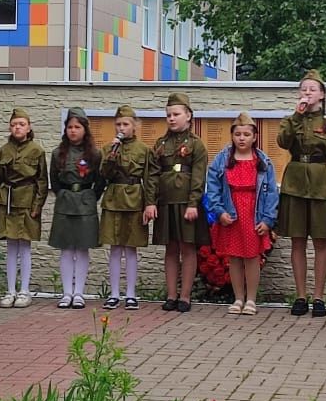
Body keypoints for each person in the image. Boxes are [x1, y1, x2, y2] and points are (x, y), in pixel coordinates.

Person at [277, 71, 326, 318]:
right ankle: (300, 296)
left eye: (312, 89)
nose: (307, 92)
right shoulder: (290, 119)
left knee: (320, 241)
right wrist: (298, 113)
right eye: (304, 88)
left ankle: (319, 297)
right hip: (295, 182)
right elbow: (282, 142)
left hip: (321, 184)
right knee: (297, 240)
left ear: (322, 94)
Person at [205, 112, 278, 315]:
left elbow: (272, 191)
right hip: (231, 213)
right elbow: (212, 186)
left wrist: (267, 219)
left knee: (252, 257)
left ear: (254, 136)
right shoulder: (222, 159)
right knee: (234, 257)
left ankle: (251, 300)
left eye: (247, 134)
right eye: (238, 134)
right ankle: (238, 298)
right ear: (232, 136)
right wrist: (219, 211)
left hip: (253, 214)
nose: (242, 138)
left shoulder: (263, 161)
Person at [146, 92, 209, 313]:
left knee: (188, 248)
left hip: (186, 203)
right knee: (170, 248)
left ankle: (185, 296)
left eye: (176, 114)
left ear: (188, 115)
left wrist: (193, 203)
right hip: (166, 202)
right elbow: (152, 175)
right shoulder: (160, 143)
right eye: (168, 115)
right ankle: (171, 295)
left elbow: (199, 176)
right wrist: (150, 202)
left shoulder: (196, 144)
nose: (171, 118)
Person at [0, 108, 48, 308]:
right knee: (10, 247)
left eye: (21, 124)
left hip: (28, 201)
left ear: (29, 127)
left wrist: (37, 206)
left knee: (25, 246)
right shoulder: (3, 151)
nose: (17, 127)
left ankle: (24, 291)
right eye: (14, 124)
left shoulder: (37, 150)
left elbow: (42, 181)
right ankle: (10, 291)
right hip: (8, 201)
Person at [49, 107, 102, 309]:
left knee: (82, 248)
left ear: (85, 129)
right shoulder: (57, 153)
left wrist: (90, 196)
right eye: (70, 127)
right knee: (66, 248)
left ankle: (79, 292)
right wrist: (62, 194)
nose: (73, 131)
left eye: (77, 127)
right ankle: (66, 293)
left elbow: (100, 181)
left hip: (85, 202)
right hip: (65, 202)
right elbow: (54, 180)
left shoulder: (94, 154)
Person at [100, 105, 151, 309]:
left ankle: (130, 294)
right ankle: (114, 294)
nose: (122, 128)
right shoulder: (108, 148)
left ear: (134, 126)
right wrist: (112, 154)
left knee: (131, 248)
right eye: (119, 124)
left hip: (135, 200)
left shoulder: (144, 150)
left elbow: (149, 179)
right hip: (114, 199)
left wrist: (149, 204)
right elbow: (104, 174)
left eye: (126, 124)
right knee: (114, 248)